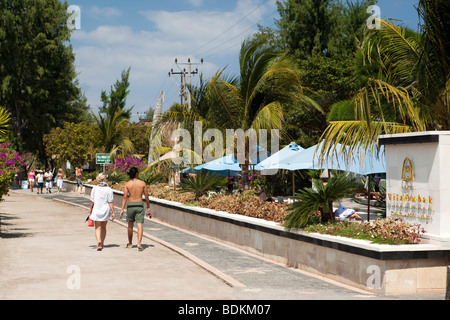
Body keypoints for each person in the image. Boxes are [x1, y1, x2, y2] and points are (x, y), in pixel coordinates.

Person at [119, 167, 150, 251]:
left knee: (130, 225)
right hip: (139, 205)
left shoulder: (127, 184)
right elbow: (146, 196)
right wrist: (148, 207)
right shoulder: (142, 183)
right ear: (136, 174)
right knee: (140, 225)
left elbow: (125, 197)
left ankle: (130, 243)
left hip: (130, 206)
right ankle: (139, 243)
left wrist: (122, 209)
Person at [88, 173, 115, 251]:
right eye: (107, 178)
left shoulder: (95, 188)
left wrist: (90, 209)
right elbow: (110, 202)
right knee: (103, 227)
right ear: (104, 179)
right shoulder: (109, 189)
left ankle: (98, 241)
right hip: (105, 210)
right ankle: (102, 243)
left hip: (96, 209)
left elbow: (92, 201)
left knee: (97, 227)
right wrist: (113, 212)